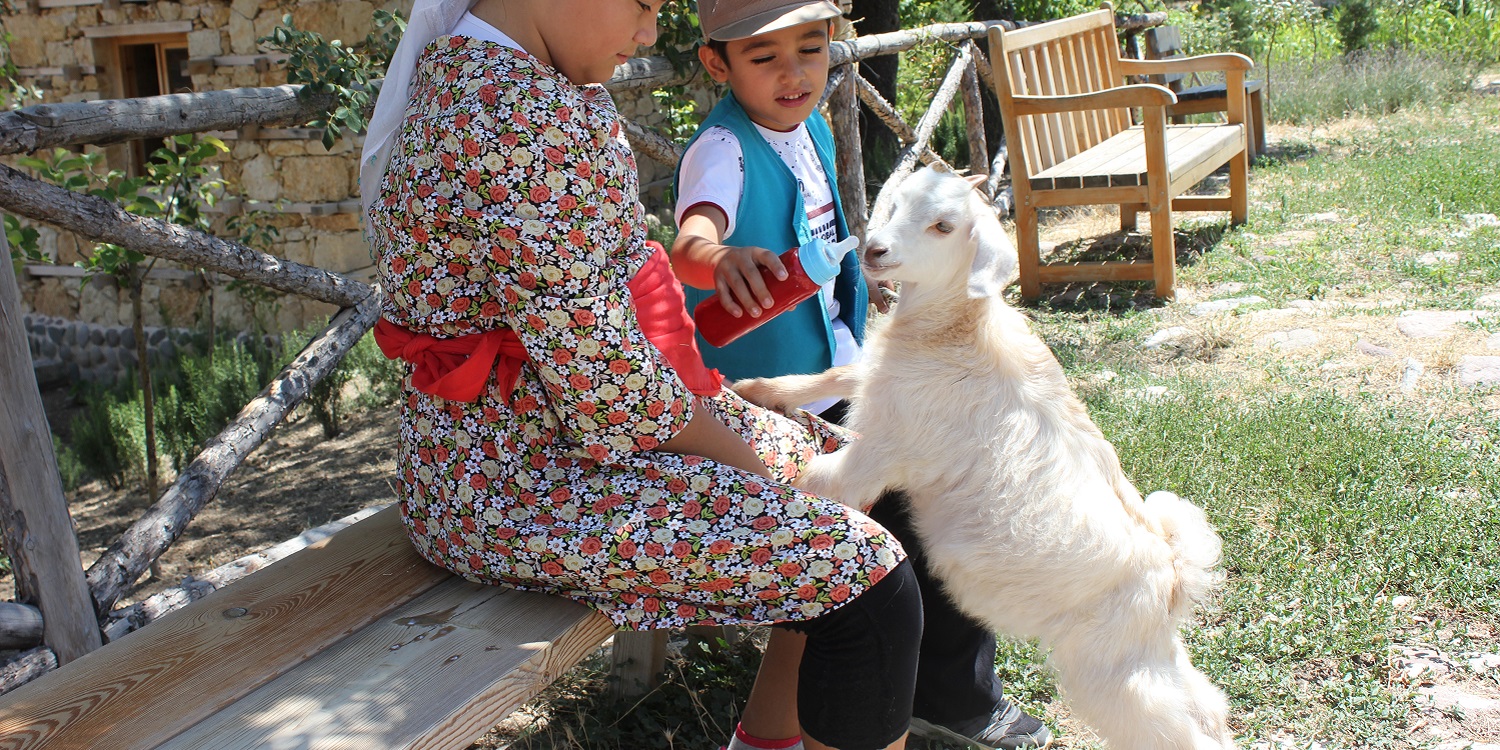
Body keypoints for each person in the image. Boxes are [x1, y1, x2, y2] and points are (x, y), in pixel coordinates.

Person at [358, 1, 924, 748]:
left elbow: (606, 339)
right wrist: (750, 465)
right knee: (870, 579)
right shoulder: (513, 115)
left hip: (519, 449)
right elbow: (611, 392)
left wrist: (737, 434)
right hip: (518, 482)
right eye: (643, 3)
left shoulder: (501, 81)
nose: (650, 33)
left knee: (857, 473)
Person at [670, 2, 1051, 748]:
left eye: (810, 50)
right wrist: (718, 259)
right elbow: (690, 240)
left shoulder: (807, 127)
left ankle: (813, 718)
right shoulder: (722, 149)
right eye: (764, 57)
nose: (793, 73)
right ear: (717, 63)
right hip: (774, 399)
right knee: (928, 500)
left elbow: (825, 239)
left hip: (835, 369)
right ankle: (948, 695)